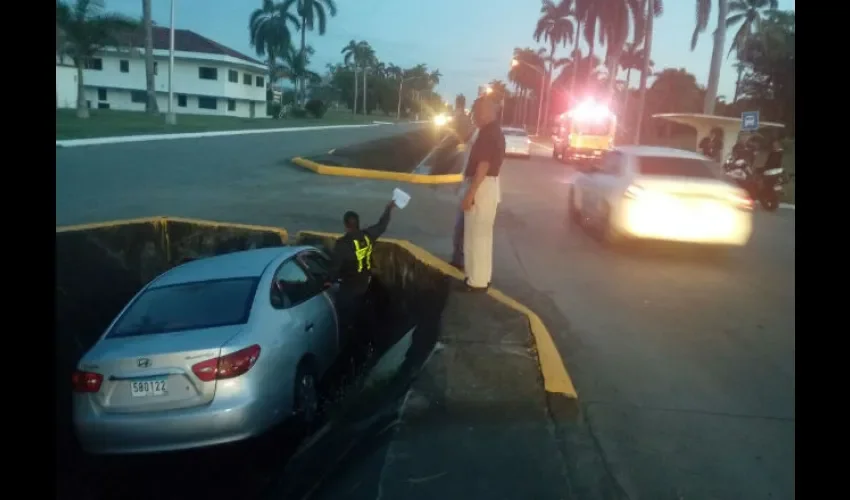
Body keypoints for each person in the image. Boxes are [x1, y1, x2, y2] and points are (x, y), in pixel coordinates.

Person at [329, 200, 396, 344]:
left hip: (349, 290)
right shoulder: (368, 236)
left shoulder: (342, 245)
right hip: (366, 285)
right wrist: (388, 209)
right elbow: (382, 225)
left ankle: (345, 345)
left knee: (344, 322)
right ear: (358, 223)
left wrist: (327, 280)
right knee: (362, 319)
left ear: (346, 225)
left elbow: (334, 270)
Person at [459, 95, 505, 292]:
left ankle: (476, 283)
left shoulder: (488, 134)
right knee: (481, 236)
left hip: (482, 186)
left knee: (477, 236)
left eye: (476, 111)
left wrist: (470, 194)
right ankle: (478, 278)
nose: (474, 116)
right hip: (488, 186)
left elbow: (483, 165)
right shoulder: (492, 131)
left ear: (486, 112)